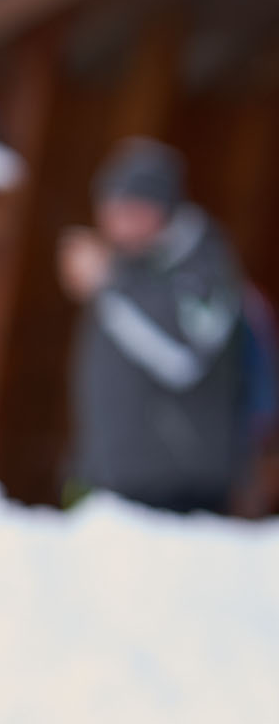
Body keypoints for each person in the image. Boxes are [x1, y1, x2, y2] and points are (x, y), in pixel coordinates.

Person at [57, 139, 262, 515]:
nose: (113, 221)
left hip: (181, 488)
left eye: (127, 209)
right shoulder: (128, 266)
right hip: (115, 477)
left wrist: (110, 284)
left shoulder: (204, 265)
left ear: (158, 208)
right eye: (108, 208)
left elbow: (183, 358)